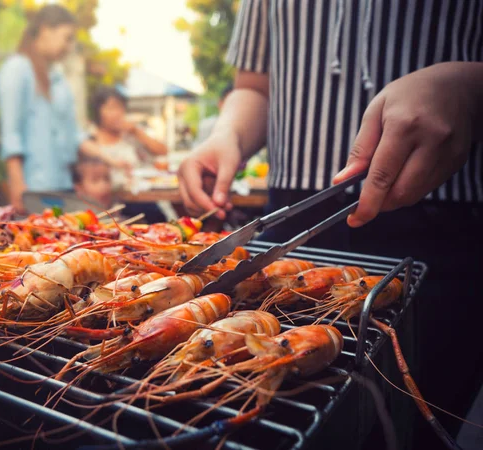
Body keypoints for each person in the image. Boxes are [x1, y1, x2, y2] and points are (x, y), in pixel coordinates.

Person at [177, 1, 483, 448]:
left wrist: (471, 87)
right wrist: (229, 135)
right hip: (286, 235)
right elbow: (255, 87)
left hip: (441, 225)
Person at [0, 5, 96, 214]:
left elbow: (72, 134)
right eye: (66, 38)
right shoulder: (17, 69)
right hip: (34, 189)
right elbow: (11, 132)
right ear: (45, 30)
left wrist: (111, 159)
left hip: (63, 185)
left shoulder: (57, 77)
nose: (69, 46)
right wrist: (17, 183)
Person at [81, 87, 168, 189]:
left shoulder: (130, 135)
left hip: (140, 195)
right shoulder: (89, 140)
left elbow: (162, 151)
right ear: (98, 112)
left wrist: (136, 132)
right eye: (111, 108)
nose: (117, 114)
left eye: (120, 107)